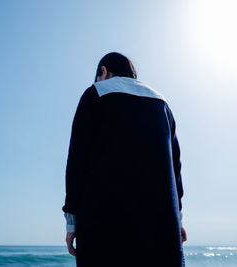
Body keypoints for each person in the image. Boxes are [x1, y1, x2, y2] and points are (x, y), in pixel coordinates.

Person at [62, 52, 187, 267]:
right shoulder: (162, 104)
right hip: (162, 228)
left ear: (103, 72)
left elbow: (76, 161)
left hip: (104, 225)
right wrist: (178, 219)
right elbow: (176, 169)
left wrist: (71, 223)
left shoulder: (95, 94)